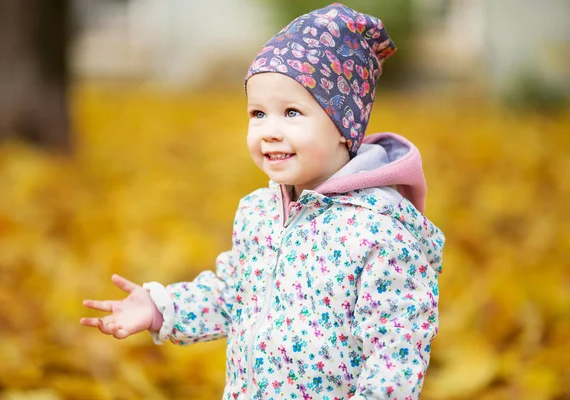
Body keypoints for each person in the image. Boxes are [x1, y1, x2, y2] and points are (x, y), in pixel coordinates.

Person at [80, 3, 445, 399]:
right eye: (258, 113)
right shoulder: (259, 212)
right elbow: (233, 293)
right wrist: (160, 308)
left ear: (344, 125)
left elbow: (395, 358)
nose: (269, 131)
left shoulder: (380, 233)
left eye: (291, 112)